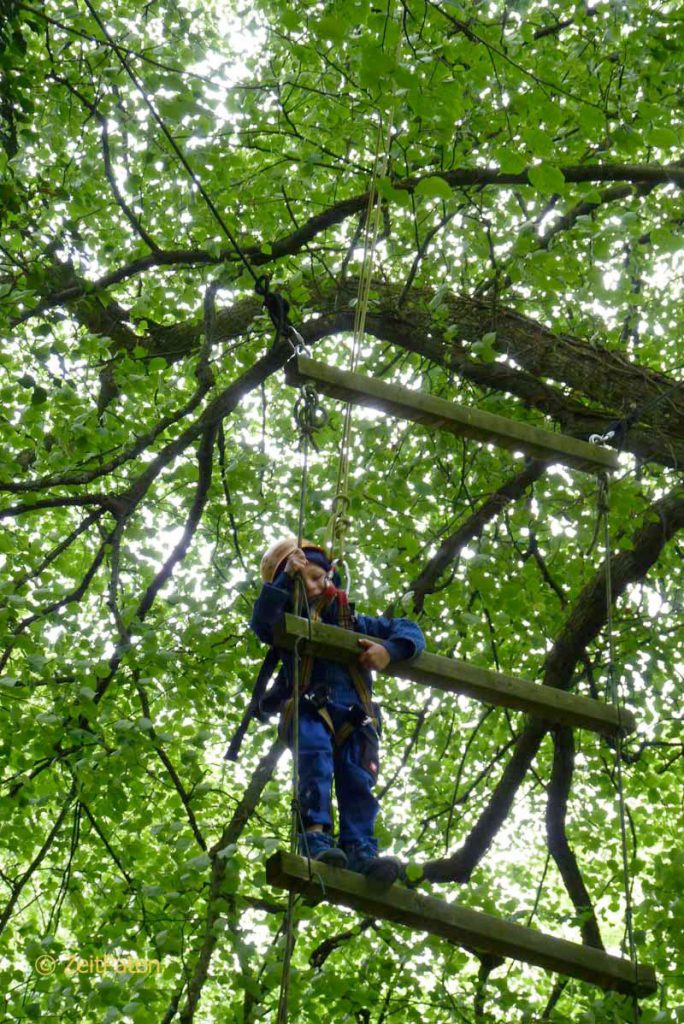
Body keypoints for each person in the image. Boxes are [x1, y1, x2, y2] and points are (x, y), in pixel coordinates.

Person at [249, 536, 426, 885]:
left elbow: (408, 630)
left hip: (356, 719)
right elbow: (263, 621)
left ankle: (362, 850)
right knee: (315, 762)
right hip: (312, 711)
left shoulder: (354, 621)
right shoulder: (288, 626)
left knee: (358, 780)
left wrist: (390, 650)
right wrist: (285, 578)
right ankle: (314, 838)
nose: (318, 587)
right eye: (307, 581)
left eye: (320, 577)